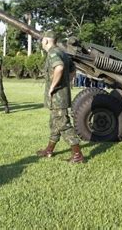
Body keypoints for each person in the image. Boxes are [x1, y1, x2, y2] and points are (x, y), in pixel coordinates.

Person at [36, 31, 84, 164]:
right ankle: (49, 150)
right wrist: (66, 83)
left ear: (46, 41)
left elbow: (59, 68)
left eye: (42, 40)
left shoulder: (53, 53)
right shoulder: (63, 52)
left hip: (57, 97)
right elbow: (73, 70)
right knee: (55, 124)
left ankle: (77, 155)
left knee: (63, 124)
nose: (41, 43)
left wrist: (53, 86)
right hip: (61, 96)